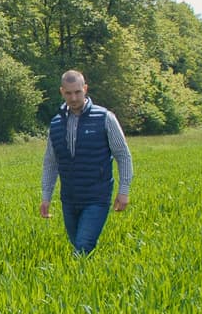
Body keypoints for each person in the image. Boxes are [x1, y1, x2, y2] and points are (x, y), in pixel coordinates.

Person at [39, 70, 133, 254]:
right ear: (61, 92)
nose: (73, 98)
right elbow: (51, 162)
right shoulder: (56, 124)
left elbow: (123, 155)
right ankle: (89, 280)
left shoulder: (105, 118)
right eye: (68, 93)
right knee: (79, 247)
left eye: (77, 92)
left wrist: (124, 191)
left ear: (85, 89)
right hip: (69, 199)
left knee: (82, 247)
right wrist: (46, 196)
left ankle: (67, 281)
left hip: (97, 197)